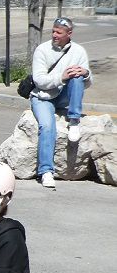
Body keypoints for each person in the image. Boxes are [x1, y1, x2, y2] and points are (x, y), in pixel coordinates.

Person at [30, 16, 90, 190]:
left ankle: (74, 120)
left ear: (69, 33)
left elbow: (87, 82)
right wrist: (61, 77)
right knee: (47, 127)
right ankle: (46, 171)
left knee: (78, 76)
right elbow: (40, 80)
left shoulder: (78, 51)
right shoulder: (42, 50)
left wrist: (85, 73)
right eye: (53, 31)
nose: (55, 35)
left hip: (63, 95)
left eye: (59, 32)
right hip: (42, 96)